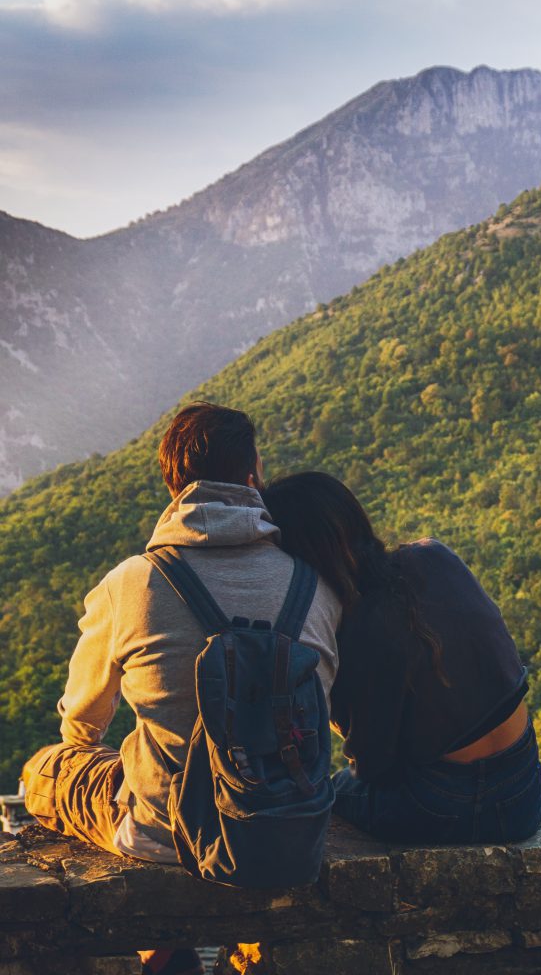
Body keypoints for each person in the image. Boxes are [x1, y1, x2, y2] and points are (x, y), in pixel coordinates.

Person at [20, 403, 343, 974]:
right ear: (253, 477)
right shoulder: (314, 584)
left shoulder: (132, 582)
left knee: (45, 768)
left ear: (173, 485)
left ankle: (163, 955)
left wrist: (88, 744)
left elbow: (84, 716)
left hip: (162, 832)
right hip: (286, 824)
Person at [261, 471, 541, 844]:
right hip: (525, 791)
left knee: (329, 790)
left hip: (446, 805)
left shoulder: (360, 628)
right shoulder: (433, 555)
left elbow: (373, 768)